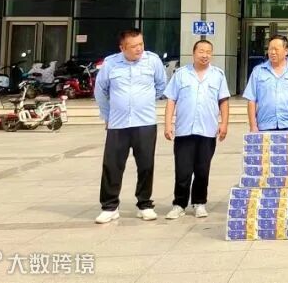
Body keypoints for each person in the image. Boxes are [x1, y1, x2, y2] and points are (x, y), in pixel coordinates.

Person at [93, 28, 167, 224]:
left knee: (146, 165)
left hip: (145, 122)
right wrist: (107, 115)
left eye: (141, 44)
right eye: (133, 46)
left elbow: (161, 85)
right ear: (122, 48)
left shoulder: (153, 61)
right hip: (118, 123)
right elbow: (100, 91)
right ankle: (109, 207)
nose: (139, 49)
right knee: (112, 165)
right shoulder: (111, 63)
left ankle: (144, 204)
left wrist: (145, 101)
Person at [163, 40, 230, 220]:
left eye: (208, 52)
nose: (205, 55)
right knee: (182, 170)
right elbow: (171, 100)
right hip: (184, 130)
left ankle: (199, 203)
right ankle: (179, 204)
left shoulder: (218, 75)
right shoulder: (181, 74)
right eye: (201, 51)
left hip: (207, 130)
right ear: (193, 53)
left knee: (202, 170)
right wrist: (168, 124)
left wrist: (224, 123)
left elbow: (223, 101)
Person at [242, 34, 288, 132]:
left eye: (276, 49)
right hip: (265, 125)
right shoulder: (258, 71)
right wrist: (253, 125)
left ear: (286, 51)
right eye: (270, 49)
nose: (272, 52)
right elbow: (252, 99)